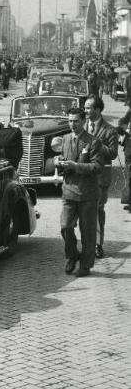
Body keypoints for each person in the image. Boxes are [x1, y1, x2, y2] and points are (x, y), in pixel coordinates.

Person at [55, 107, 103, 277]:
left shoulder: (93, 142)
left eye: (75, 121)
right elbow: (62, 161)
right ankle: (72, 255)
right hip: (68, 191)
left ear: (83, 121)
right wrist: (58, 162)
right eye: (69, 121)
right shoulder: (66, 139)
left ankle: (85, 265)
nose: (72, 124)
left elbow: (97, 167)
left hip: (87, 194)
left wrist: (76, 166)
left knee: (88, 231)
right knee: (65, 226)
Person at [83, 95, 118, 258]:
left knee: (97, 210)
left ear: (97, 109)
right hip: (82, 176)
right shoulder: (80, 125)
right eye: (84, 108)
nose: (85, 111)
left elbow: (112, 154)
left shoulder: (110, 130)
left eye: (88, 108)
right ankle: (85, 243)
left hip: (100, 177)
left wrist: (96, 144)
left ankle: (97, 244)